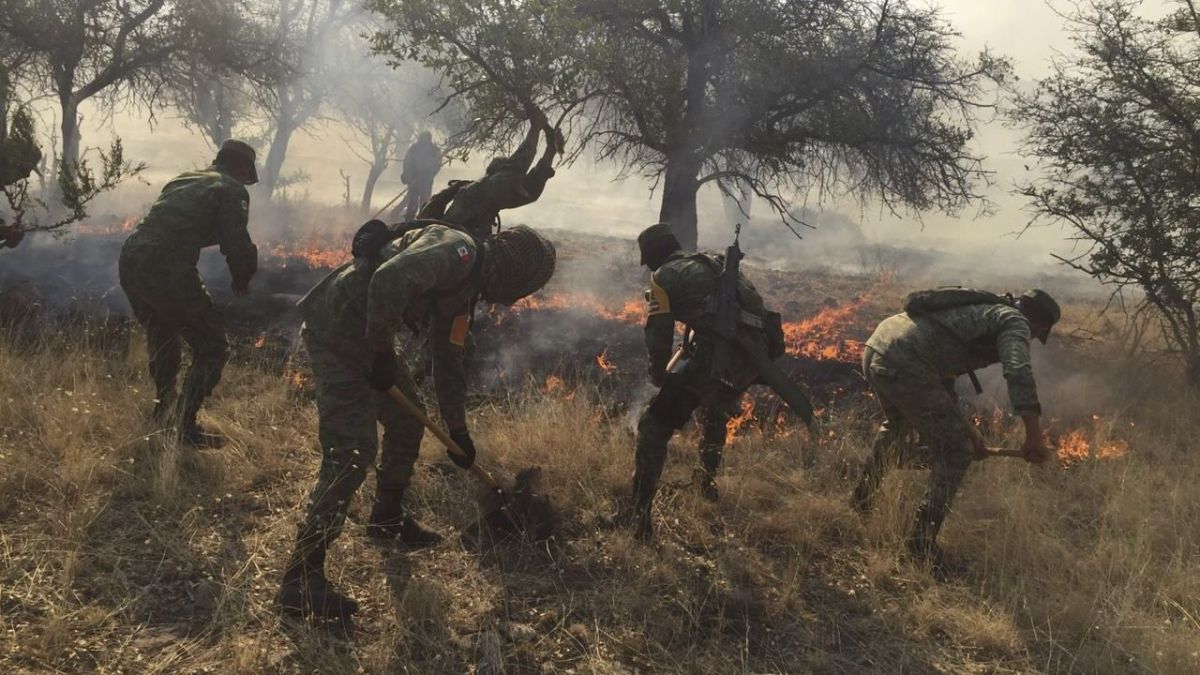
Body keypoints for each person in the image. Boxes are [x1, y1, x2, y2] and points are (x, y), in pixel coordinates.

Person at [277, 221, 556, 621]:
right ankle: (300, 578)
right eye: (523, 288)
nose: (514, 299)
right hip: (337, 330)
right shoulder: (457, 250)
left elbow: (448, 360)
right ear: (515, 272)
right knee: (352, 452)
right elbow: (389, 280)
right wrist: (381, 356)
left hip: (367, 339)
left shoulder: (466, 289)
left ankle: (386, 517)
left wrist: (458, 432)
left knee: (409, 423)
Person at [850, 288, 1061, 572]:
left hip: (879, 345)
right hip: (907, 360)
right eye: (1036, 336)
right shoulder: (1015, 322)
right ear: (1038, 325)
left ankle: (861, 501)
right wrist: (1033, 436)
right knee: (956, 452)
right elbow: (1018, 371)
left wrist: (969, 430)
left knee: (898, 426)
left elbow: (941, 378)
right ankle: (920, 545)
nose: (1031, 339)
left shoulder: (985, 310)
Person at [625, 223, 780, 541]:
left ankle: (637, 518)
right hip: (750, 357)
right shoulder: (712, 263)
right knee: (715, 411)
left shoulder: (664, 277)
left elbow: (658, 332)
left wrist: (659, 375)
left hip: (717, 354)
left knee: (653, 428)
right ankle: (705, 483)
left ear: (653, 256)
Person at [118, 140, 259, 448]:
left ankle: (163, 409)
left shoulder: (184, 178)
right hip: (166, 264)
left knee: (163, 332)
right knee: (212, 347)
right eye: (247, 174)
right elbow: (236, 242)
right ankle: (184, 427)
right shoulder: (233, 189)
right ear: (244, 168)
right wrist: (243, 276)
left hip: (132, 258)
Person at [419, 109, 559, 241]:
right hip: (445, 243)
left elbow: (531, 189)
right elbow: (513, 170)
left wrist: (551, 150)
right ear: (496, 175)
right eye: (512, 185)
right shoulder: (476, 190)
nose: (514, 189)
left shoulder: (492, 200)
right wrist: (535, 128)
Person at [393, 131, 442, 221]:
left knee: (424, 204)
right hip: (414, 181)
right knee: (413, 204)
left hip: (426, 182)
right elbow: (407, 163)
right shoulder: (414, 149)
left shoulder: (434, 151)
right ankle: (408, 222)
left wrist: (429, 174)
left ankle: (420, 222)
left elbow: (437, 165)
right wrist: (408, 176)